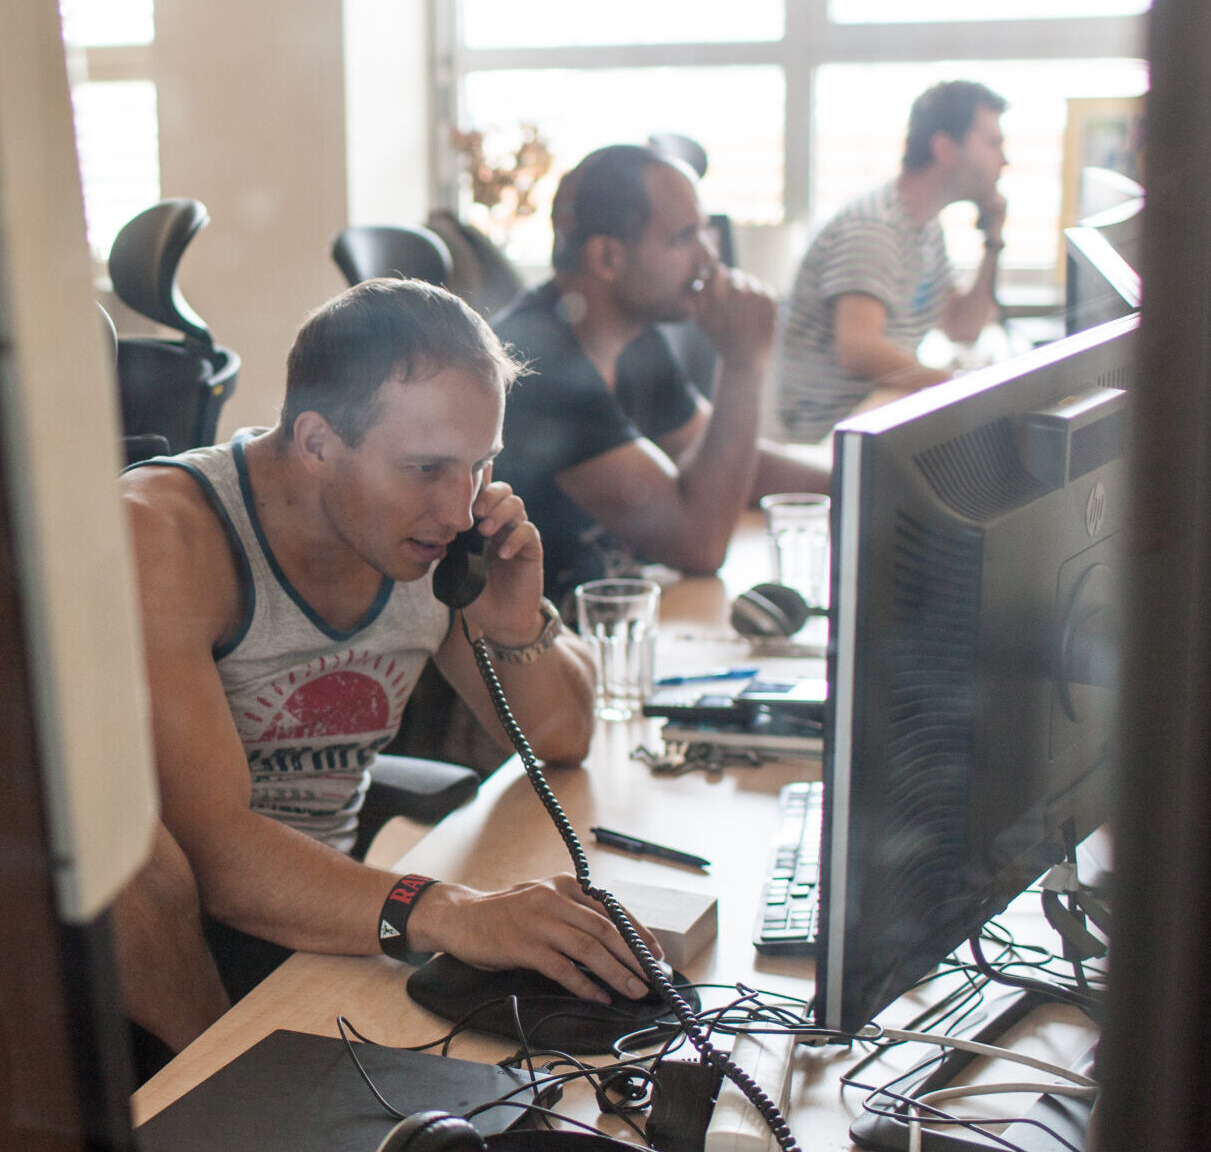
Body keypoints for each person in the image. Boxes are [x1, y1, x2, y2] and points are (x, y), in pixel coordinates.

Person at [114, 279, 658, 1057]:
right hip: (186, 964)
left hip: (335, 918)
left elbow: (561, 738)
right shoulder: (165, 536)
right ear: (316, 443)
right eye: (428, 468)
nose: (459, 508)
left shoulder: (429, 537)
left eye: (480, 465)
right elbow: (214, 856)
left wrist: (513, 622)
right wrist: (451, 911)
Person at [491, 143, 830, 607]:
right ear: (608, 257)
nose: (709, 258)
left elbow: (729, 457)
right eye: (684, 238)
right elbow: (700, 544)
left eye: (706, 232)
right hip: (550, 654)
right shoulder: (539, 366)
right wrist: (743, 364)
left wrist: (857, 478)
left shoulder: (632, 339)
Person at [774, 80, 1010, 443]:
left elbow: (962, 328)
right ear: (945, 148)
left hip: (879, 409)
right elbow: (858, 349)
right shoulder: (876, 227)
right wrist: (954, 386)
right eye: (993, 143)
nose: (1004, 160)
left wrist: (993, 242)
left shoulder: (926, 227)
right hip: (832, 433)